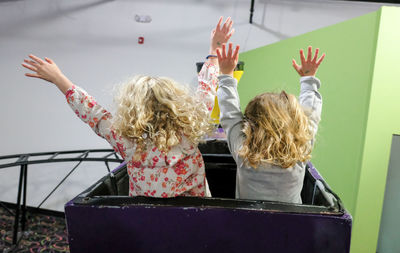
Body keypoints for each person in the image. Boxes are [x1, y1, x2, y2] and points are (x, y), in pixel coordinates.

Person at [21, 17, 234, 198]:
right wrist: (214, 51)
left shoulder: (125, 141)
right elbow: (207, 89)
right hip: (195, 220)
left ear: (133, 111)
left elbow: (91, 112)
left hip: (145, 223)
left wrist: (59, 79)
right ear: (177, 105)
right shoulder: (189, 131)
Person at [216, 44, 325, 203]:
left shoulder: (243, 152)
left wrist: (226, 74)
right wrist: (308, 80)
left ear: (250, 124)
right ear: (295, 122)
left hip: (247, 224)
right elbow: (312, 112)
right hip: (291, 226)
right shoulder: (300, 150)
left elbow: (229, 112)